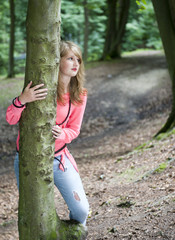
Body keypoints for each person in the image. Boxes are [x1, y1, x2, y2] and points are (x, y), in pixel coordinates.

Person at [6, 41, 89, 226]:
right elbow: (11, 119)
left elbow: (74, 130)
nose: (76, 63)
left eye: (78, 59)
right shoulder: (40, 87)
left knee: (82, 210)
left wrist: (62, 134)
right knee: (35, 215)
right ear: (57, 61)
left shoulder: (80, 94)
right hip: (29, 159)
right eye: (70, 58)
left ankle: (73, 235)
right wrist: (22, 100)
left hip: (59, 159)